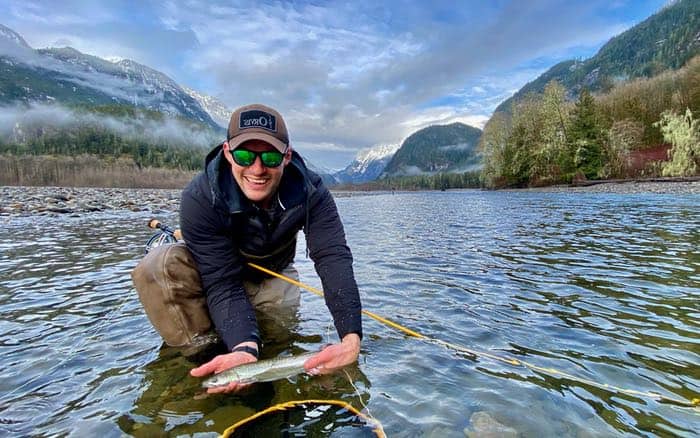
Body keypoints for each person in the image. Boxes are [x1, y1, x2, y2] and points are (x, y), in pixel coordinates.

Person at [179, 103, 363, 393]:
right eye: (244, 155)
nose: (257, 168)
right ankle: (193, 355)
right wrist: (245, 347)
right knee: (159, 267)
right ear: (227, 153)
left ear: (287, 156)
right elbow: (222, 283)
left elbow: (333, 258)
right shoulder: (200, 198)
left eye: (270, 157)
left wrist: (350, 339)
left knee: (278, 339)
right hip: (221, 274)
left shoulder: (311, 191)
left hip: (275, 273)